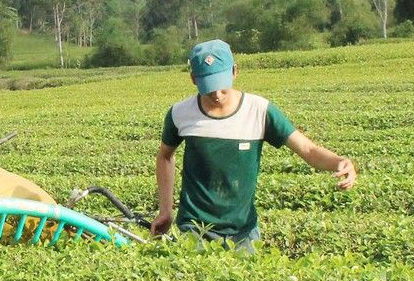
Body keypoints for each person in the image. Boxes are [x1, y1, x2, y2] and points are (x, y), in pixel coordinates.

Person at [151, 39, 356, 251]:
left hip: (242, 232)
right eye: (209, 89)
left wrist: (340, 162)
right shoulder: (180, 113)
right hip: (193, 229)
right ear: (194, 79)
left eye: (222, 87)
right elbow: (165, 156)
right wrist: (166, 210)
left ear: (234, 71)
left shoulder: (259, 111)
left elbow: (308, 150)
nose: (217, 96)